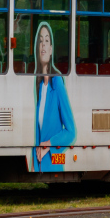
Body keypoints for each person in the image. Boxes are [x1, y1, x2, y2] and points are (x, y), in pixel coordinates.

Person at [32, 21, 76, 172]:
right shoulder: (38, 87)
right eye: (40, 41)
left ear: (50, 49)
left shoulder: (57, 82)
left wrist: (48, 144)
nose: (43, 45)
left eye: (46, 41)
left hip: (52, 162)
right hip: (38, 165)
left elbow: (71, 131)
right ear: (37, 49)